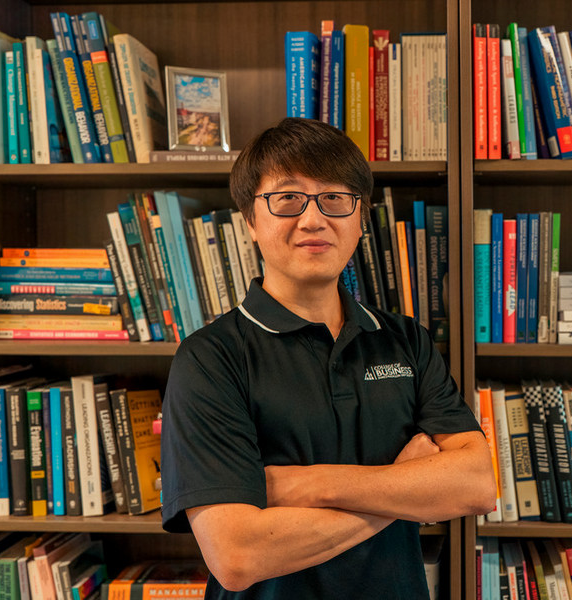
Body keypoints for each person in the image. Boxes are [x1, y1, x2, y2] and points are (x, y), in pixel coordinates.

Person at [161, 117, 496, 598]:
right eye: (288, 198)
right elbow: (237, 557)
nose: (314, 219)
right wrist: (404, 490)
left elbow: (477, 484)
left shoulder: (404, 339)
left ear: (360, 220)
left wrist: (306, 484)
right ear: (250, 222)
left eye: (335, 199)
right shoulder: (211, 358)